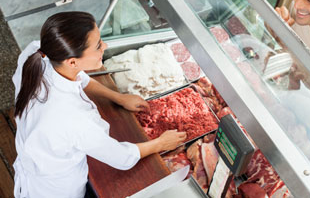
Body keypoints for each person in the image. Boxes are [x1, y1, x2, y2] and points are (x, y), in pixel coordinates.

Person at [12, 11, 187, 198]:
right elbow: (121, 157)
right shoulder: (72, 116)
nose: (105, 45)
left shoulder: (38, 52)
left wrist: (117, 97)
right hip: (56, 189)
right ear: (72, 61)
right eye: (98, 46)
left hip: (35, 161)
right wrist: (161, 143)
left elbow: (78, 76)